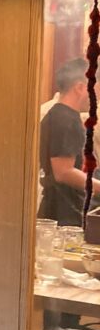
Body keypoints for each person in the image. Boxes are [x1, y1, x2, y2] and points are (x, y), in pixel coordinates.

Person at [38, 56, 99, 227]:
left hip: (59, 207)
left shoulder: (60, 115)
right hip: (63, 212)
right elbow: (63, 172)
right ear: (80, 88)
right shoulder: (65, 120)